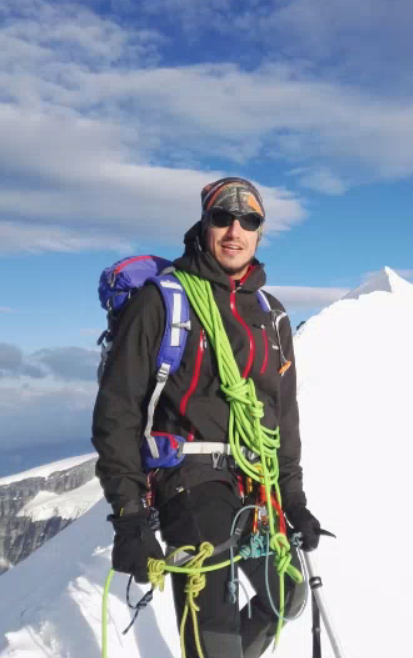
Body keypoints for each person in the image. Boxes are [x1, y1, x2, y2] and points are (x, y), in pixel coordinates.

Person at [91, 177, 323, 658]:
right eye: (222, 218)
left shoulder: (271, 314)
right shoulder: (163, 301)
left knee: (288, 593)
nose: (234, 230)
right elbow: (118, 411)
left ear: (261, 232)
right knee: (213, 629)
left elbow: (284, 416)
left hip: (254, 482)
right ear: (204, 223)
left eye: (249, 221)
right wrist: (129, 518)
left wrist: (294, 500)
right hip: (188, 480)